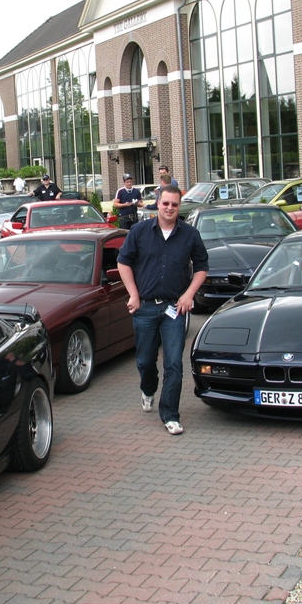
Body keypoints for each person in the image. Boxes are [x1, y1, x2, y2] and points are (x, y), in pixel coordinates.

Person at [117, 185, 208, 436]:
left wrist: (189, 294)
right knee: (145, 361)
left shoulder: (190, 235)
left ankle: (170, 415)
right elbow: (123, 262)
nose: (169, 208)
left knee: (174, 363)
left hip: (174, 309)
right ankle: (148, 389)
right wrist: (133, 294)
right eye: (165, 203)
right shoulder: (139, 231)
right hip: (145, 307)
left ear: (179, 207)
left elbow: (202, 267)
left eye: (174, 205)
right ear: (158, 203)